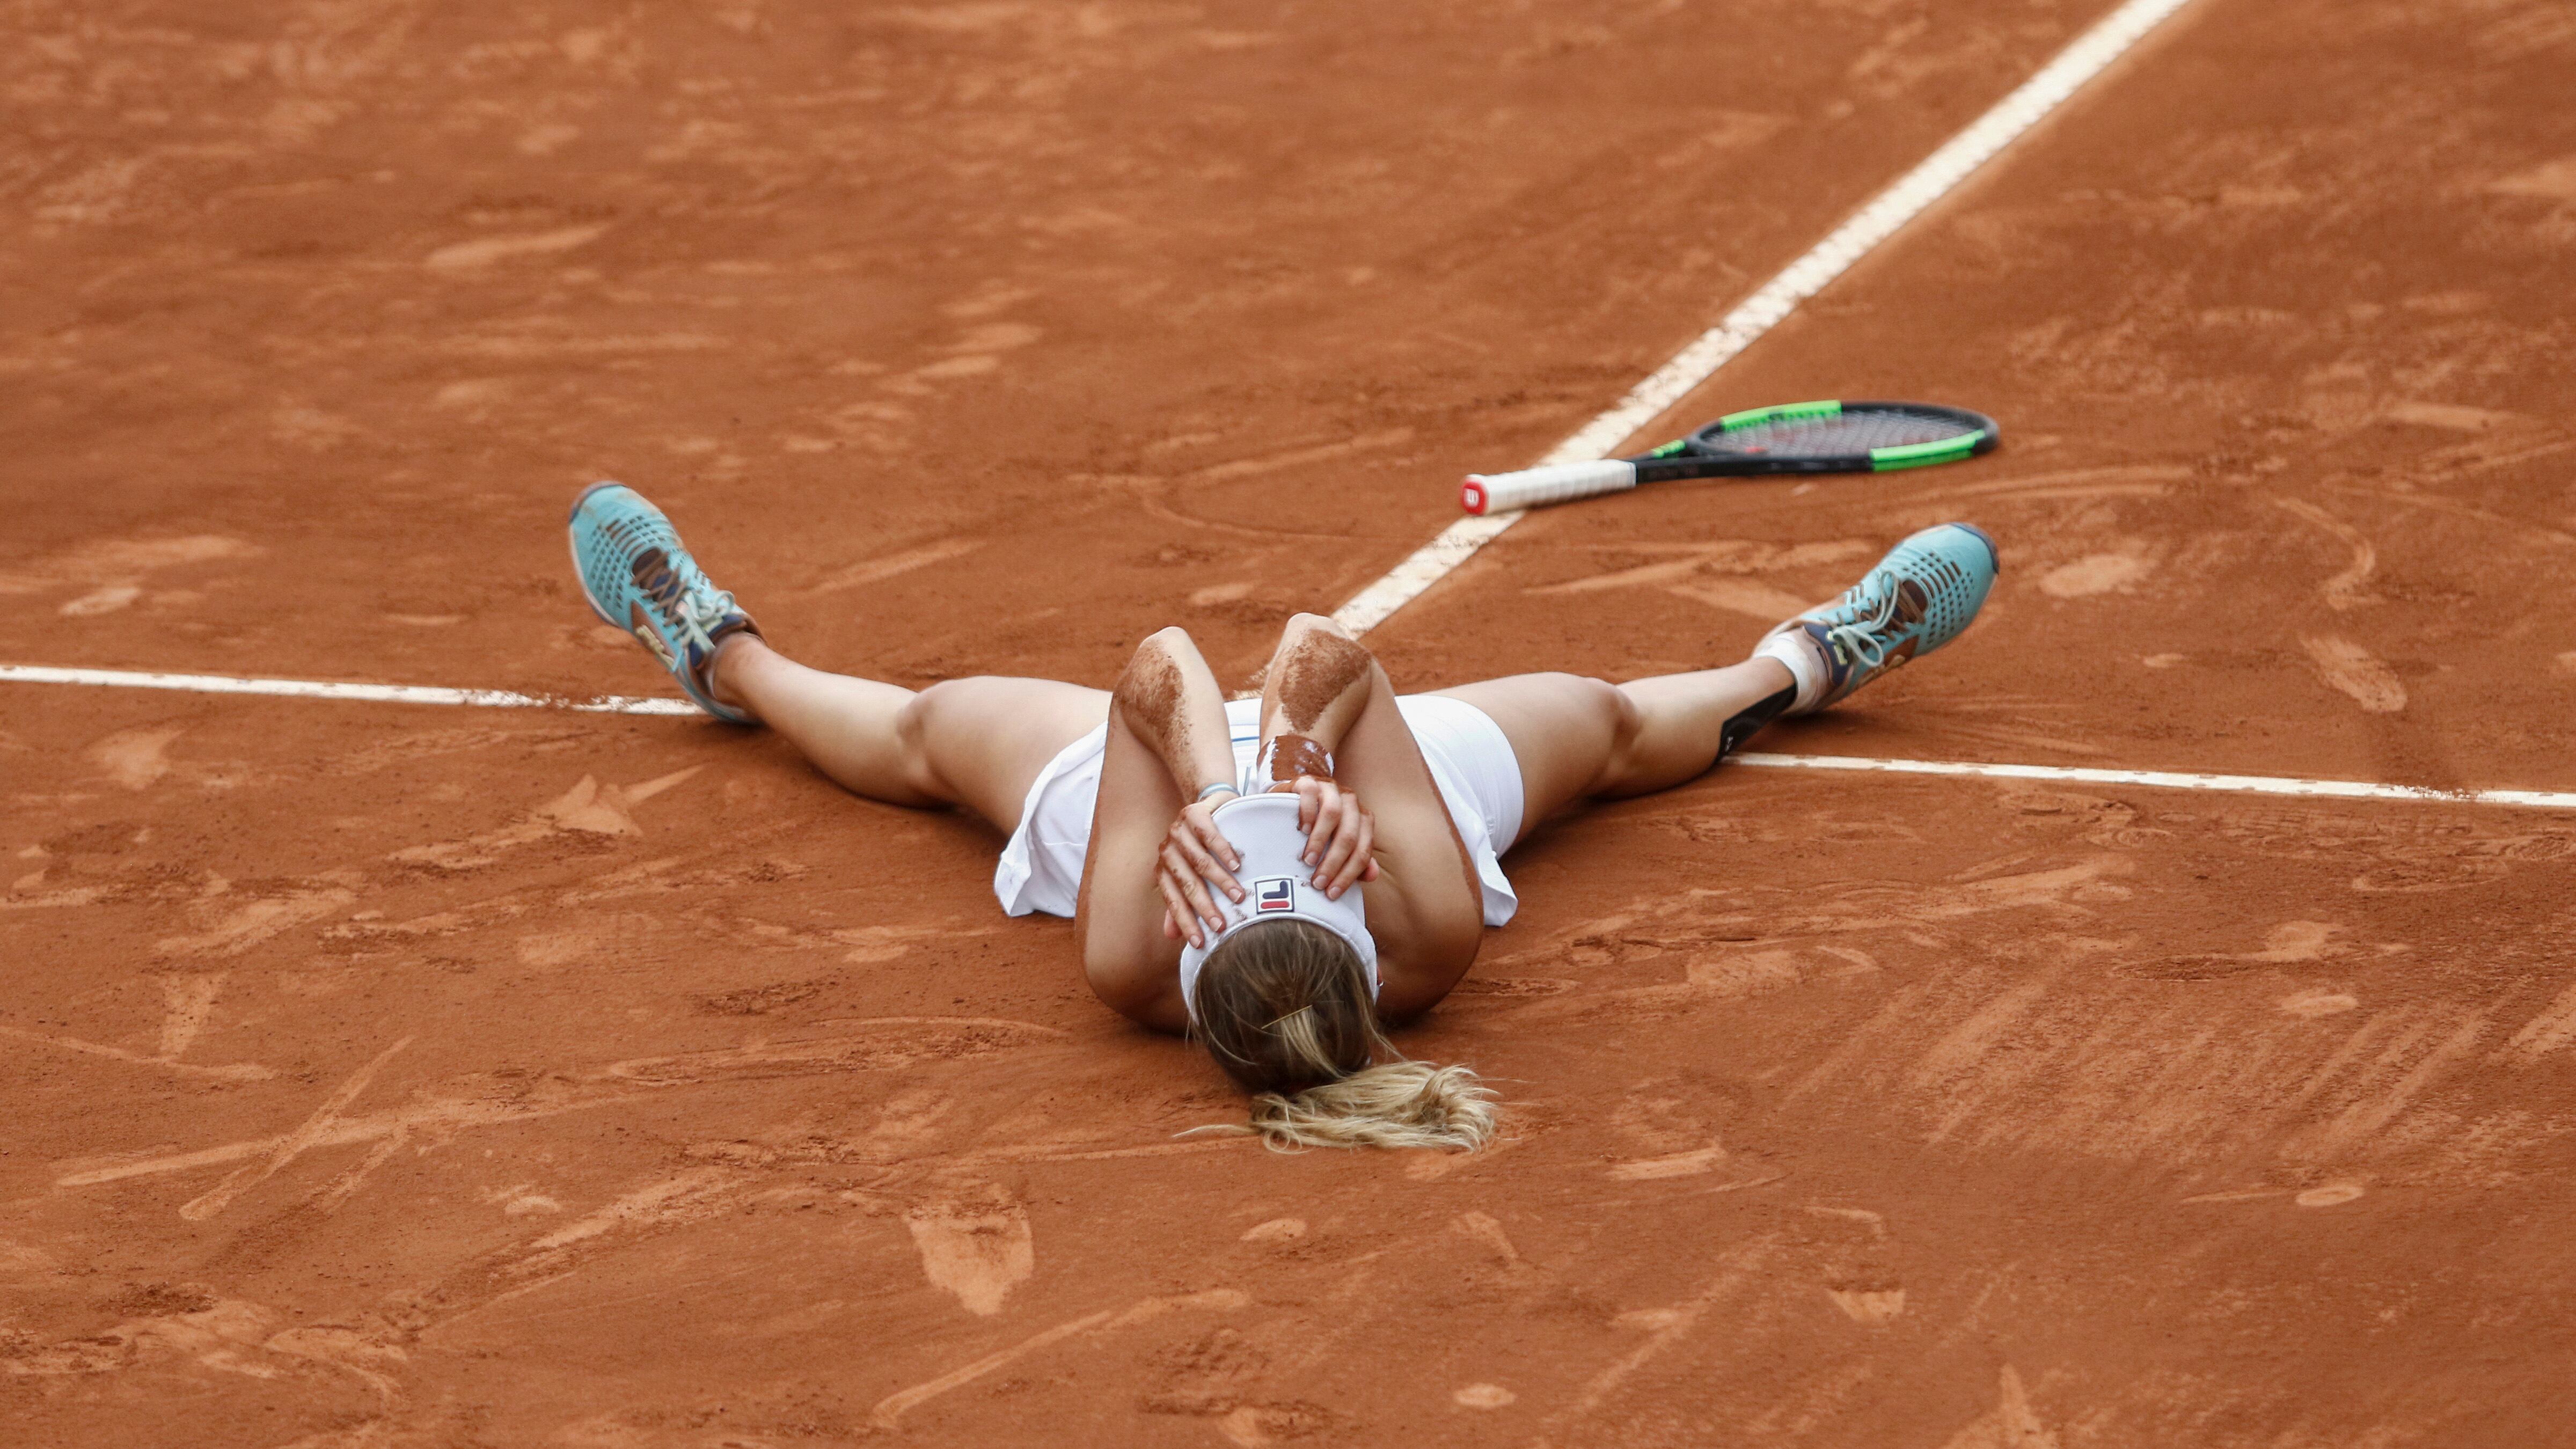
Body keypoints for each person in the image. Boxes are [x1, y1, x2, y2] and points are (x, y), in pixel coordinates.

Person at [568, 484, 1999, 1151]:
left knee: (929, 733)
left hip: (1143, 774)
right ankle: (1813, 657)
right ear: (1363, 933)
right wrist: (1307, 763)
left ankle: (717, 649)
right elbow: (1324, 643)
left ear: (1183, 981)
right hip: (1386, 768)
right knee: (1609, 721)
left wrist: (1207, 794)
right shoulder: (1428, 932)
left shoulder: (1130, 954)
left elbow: (1160, 667)